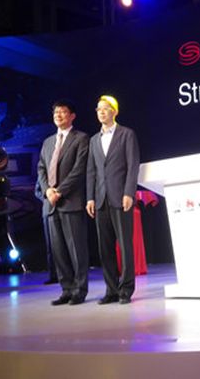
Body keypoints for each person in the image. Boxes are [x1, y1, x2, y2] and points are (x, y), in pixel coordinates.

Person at [86, 95, 140, 305]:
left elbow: (133, 165)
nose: (101, 112)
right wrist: (90, 198)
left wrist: (129, 193)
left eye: (105, 108)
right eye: (98, 109)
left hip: (120, 197)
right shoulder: (93, 140)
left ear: (114, 111)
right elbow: (91, 171)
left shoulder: (126, 134)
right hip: (100, 199)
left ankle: (126, 289)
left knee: (125, 246)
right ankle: (111, 289)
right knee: (105, 247)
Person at [37, 99, 90, 306]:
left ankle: (79, 290)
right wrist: (47, 190)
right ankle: (66, 289)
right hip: (50, 204)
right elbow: (41, 168)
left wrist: (59, 191)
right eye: (55, 112)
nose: (58, 115)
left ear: (72, 116)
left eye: (63, 112)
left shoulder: (81, 138)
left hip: (70, 201)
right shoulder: (48, 142)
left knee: (77, 250)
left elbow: (79, 169)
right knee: (58, 251)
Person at [34, 180, 57, 284]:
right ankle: (54, 275)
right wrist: (47, 198)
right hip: (48, 211)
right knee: (50, 246)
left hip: (65, 208)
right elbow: (37, 191)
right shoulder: (43, 174)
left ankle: (71, 274)